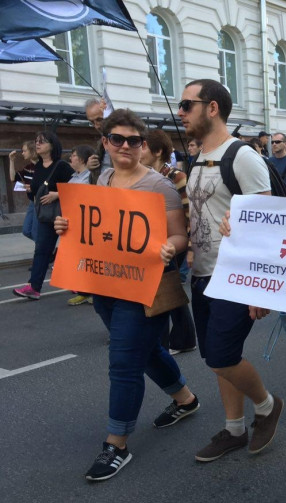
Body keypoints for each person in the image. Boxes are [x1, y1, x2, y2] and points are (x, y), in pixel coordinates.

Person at [53, 108, 201, 480]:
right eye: (116, 139)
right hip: (105, 285)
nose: (125, 146)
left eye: (133, 141)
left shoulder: (159, 186)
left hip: (146, 287)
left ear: (143, 145)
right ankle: (185, 399)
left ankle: (116, 443)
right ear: (105, 142)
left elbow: (180, 234)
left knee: (123, 361)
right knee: (145, 350)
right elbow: (89, 229)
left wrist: (172, 247)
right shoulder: (101, 179)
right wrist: (64, 225)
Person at [179, 79, 284, 462]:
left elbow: (267, 222)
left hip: (235, 276)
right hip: (203, 274)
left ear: (211, 108)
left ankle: (268, 406)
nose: (180, 112)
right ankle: (234, 429)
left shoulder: (242, 156)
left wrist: (260, 289)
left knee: (221, 357)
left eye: (187, 104)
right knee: (217, 358)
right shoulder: (199, 157)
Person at [141, 129, 198, 355]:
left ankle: (166, 341)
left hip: (173, 242)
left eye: (143, 146)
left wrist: (189, 247)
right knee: (170, 288)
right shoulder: (143, 177)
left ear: (157, 151)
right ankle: (182, 339)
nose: (138, 150)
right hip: (152, 241)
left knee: (165, 287)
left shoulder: (175, 177)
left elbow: (190, 214)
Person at [13, 132, 75, 300]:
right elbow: (35, 190)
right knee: (41, 251)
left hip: (63, 216)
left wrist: (57, 194)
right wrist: (30, 190)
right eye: (36, 141)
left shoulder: (62, 166)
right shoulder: (39, 166)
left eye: (42, 141)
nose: (38, 144)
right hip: (46, 216)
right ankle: (34, 288)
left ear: (52, 145)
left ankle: (78, 284)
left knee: (71, 251)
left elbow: (77, 188)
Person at [66, 144, 96, 306]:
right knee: (80, 259)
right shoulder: (74, 177)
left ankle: (93, 291)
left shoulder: (91, 177)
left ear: (83, 159)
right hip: (74, 223)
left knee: (89, 258)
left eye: (74, 155)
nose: (71, 157)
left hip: (88, 224)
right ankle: (84, 291)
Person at [9, 140, 39, 242]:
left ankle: (43, 249)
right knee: (26, 231)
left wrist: (33, 187)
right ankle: (44, 246)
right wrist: (11, 161)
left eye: (24, 151)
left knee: (36, 232)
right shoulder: (28, 168)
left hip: (40, 202)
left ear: (32, 151)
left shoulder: (43, 166)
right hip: (32, 202)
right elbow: (13, 178)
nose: (22, 153)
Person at [85, 98, 111, 184]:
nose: (96, 126)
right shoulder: (101, 146)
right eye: (92, 122)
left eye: (99, 119)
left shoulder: (125, 143)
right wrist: (92, 169)